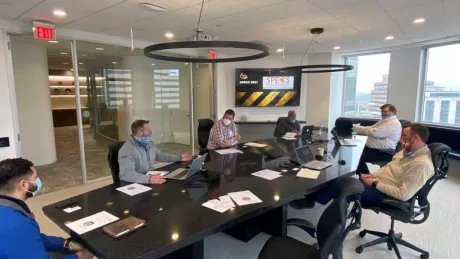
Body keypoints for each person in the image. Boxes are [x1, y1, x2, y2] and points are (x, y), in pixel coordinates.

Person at [316, 123, 433, 208]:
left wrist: (375, 183)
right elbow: (388, 169)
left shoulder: (422, 164)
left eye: (404, 136)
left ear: (415, 138)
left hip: (385, 195)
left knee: (343, 189)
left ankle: (333, 233)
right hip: (376, 183)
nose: (401, 139)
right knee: (341, 179)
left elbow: (403, 195)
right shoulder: (406, 151)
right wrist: (371, 176)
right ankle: (314, 199)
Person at [0, 158, 93, 259]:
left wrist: (65, 243)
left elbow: (31, 239)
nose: (38, 181)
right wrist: (79, 257)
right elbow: (23, 235)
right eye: (35, 178)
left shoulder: (8, 210)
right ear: (23, 184)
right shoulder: (18, 224)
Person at [118, 120, 193, 184]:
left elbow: (160, 156)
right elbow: (126, 174)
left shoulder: (149, 143)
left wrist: (179, 158)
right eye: (148, 130)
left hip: (150, 176)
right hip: (135, 183)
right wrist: (149, 179)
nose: (151, 132)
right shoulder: (127, 149)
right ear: (140, 133)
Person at [354, 104, 402, 174]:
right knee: (356, 154)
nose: (382, 113)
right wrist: (373, 131)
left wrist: (374, 132)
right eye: (382, 111)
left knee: (357, 158)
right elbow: (372, 129)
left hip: (384, 152)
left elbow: (376, 133)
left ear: (392, 112)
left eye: (385, 111)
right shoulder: (383, 120)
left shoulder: (394, 123)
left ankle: (365, 178)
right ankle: (365, 177)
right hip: (373, 150)